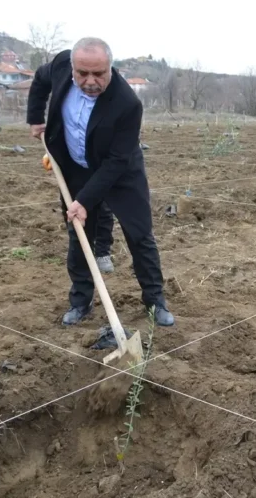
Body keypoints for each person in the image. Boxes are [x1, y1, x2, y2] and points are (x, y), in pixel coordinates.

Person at [29, 37, 174, 327]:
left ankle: (155, 301)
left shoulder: (127, 103)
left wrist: (84, 200)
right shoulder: (59, 66)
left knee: (140, 235)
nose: (91, 81)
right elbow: (40, 80)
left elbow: (116, 162)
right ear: (71, 68)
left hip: (121, 173)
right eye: (83, 73)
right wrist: (35, 118)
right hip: (75, 167)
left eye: (99, 74)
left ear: (111, 67)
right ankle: (81, 302)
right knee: (79, 235)